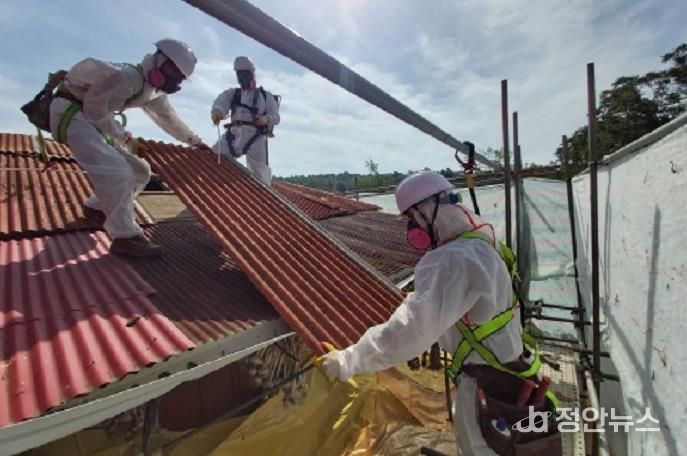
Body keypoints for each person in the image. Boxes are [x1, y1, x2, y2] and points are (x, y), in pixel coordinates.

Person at [320, 171, 529, 456]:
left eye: (412, 218)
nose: (412, 229)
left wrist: (347, 361)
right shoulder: (480, 245)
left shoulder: (454, 258)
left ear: (428, 209)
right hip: (508, 375)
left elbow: (411, 331)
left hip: (486, 387)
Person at [49, 39, 204, 258]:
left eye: (180, 78)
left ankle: (96, 208)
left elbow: (170, 119)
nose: (175, 81)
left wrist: (196, 142)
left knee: (140, 171)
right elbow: (94, 108)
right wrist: (125, 139)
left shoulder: (151, 91)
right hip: (71, 112)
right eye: (174, 73)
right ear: (161, 62)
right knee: (117, 172)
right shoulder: (127, 78)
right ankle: (125, 237)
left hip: (91, 118)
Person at [210, 56, 280, 185]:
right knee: (212, 157)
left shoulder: (265, 96)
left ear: (252, 74)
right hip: (233, 135)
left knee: (261, 176)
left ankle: (262, 196)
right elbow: (221, 102)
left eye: (245, 74)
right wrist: (217, 112)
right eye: (240, 74)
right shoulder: (233, 93)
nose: (242, 77)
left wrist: (266, 119)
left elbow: (276, 117)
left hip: (255, 137)